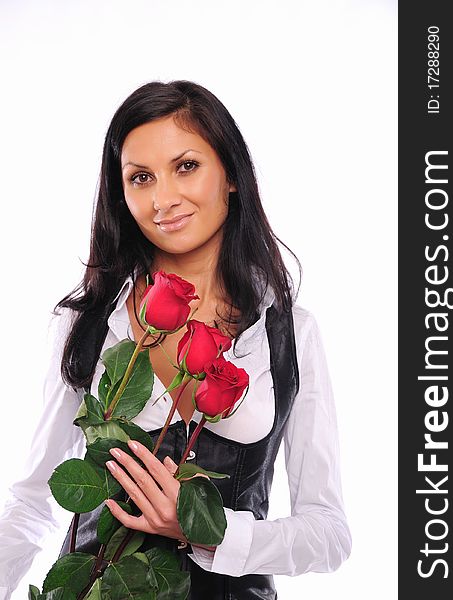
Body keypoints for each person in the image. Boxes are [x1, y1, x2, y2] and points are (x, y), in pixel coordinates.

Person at [0, 80, 351, 599]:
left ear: (230, 174)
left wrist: (207, 532)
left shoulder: (289, 334)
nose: (163, 199)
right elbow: (32, 503)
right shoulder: (89, 325)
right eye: (141, 177)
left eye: (185, 166)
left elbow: (328, 534)